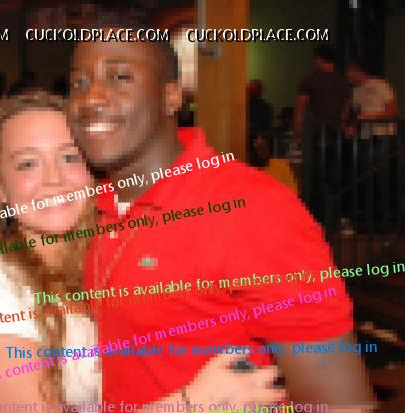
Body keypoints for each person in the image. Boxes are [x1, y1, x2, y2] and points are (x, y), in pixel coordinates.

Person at [68, 25, 375, 412]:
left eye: (120, 77)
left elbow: (344, 405)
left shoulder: (251, 208)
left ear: (171, 96)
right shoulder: (84, 208)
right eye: (78, 83)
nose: (91, 97)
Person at [0, 90, 281, 410]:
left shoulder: (115, 259)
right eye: (28, 164)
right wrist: (191, 403)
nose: (54, 178)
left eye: (70, 157)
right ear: (0, 191)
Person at [294, 45, 350, 224]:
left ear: (319, 58)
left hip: (314, 132)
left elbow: (301, 109)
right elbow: (345, 109)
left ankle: (311, 216)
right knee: (332, 175)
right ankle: (332, 217)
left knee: (311, 175)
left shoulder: (310, 79)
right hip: (335, 133)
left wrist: (298, 132)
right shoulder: (343, 82)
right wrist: (342, 126)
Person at [346, 61, 397, 230]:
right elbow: (354, 111)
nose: (348, 75)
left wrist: (368, 117)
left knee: (381, 175)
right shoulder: (356, 91)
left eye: (351, 71)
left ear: (359, 71)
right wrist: (352, 124)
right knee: (367, 175)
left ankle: (384, 217)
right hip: (366, 136)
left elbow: (392, 110)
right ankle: (371, 216)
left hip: (383, 134)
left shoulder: (380, 85)